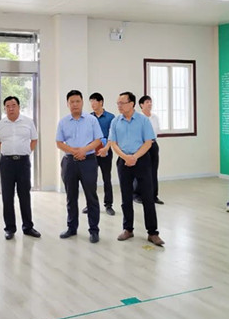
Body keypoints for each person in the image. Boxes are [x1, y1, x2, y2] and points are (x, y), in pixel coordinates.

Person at [109, 91, 164, 246]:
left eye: (122, 103)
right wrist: (126, 157)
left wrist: (135, 157)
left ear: (131, 104)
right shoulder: (115, 121)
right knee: (126, 197)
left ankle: (152, 233)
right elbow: (113, 143)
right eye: (118, 103)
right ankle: (128, 229)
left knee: (147, 197)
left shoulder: (143, 120)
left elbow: (148, 142)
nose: (119, 106)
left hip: (142, 160)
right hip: (123, 161)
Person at [56, 90, 103, 243]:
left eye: (77, 101)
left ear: (82, 102)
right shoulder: (63, 122)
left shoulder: (91, 120)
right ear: (67, 104)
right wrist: (74, 151)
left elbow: (98, 140)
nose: (75, 104)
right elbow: (59, 142)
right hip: (69, 162)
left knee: (91, 196)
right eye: (72, 102)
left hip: (88, 161)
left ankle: (94, 230)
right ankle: (71, 228)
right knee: (71, 197)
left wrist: (83, 150)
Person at [0, 96, 41, 240]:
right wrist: (9, 152)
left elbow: (34, 140)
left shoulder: (28, 122)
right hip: (6, 163)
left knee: (24, 195)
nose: (11, 108)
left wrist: (25, 151)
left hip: (23, 163)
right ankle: (10, 228)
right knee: (7, 196)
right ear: (4, 108)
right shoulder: (0, 124)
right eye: (8, 106)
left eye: (13, 105)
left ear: (19, 107)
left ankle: (28, 227)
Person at [84, 93, 116, 216]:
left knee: (106, 178)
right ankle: (90, 204)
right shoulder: (88, 117)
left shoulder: (110, 117)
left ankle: (108, 205)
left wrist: (106, 148)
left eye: (94, 101)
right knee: (90, 179)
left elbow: (112, 136)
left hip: (106, 151)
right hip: (92, 152)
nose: (92, 104)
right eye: (91, 101)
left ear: (101, 102)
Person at [133, 95, 163, 205]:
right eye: (147, 102)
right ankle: (137, 195)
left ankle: (153, 195)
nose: (150, 104)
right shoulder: (138, 118)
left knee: (153, 171)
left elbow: (157, 131)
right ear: (141, 105)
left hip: (153, 144)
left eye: (150, 102)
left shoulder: (155, 117)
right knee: (140, 171)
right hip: (141, 146)